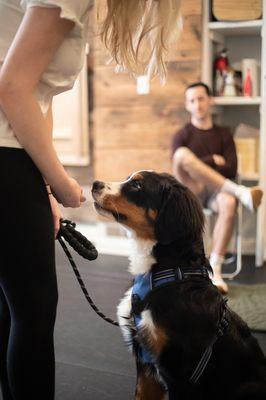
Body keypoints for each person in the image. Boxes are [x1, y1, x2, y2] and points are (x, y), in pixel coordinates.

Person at [0, 0, 182, 399]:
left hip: (14, 157)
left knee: (10, 310)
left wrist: (45, 186)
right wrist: (60, 181)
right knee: (32, 314)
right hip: (5, 160)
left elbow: (36, 97)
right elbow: (12, 88)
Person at [171, 82, 263, 294]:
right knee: (182, 155)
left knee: (228, 201)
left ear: (210, 100)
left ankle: (216, 269)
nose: (198, 104)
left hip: (215, 192)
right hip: (189, 190)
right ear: (187, 105)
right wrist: (212, 159)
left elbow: (231, 168)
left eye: (201, 99)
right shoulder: (182, 136)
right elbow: (178, 166)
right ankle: (241, 192)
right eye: (192, 100)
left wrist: (200, 165)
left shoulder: (223, 135)